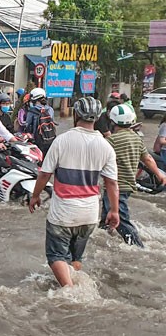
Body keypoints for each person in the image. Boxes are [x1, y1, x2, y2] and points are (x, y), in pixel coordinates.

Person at [29, 96, 119, 287]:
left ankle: (70, 292)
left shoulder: (61, 141)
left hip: (64, 212)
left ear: (76, 114)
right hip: (89, 214)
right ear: (97, 117)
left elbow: (44, 174)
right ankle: (74, 281)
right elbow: (111, 183)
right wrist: (114, 210)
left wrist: (35, 196)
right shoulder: (106, 146)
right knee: (76, 256)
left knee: (55, 255)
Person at [102, 104, 166, 247]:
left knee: (121, 220)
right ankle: (102, 239)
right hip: (128, 185)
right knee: (106, 218)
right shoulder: (137, 139)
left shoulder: (110, 141)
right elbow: (148, 159)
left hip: (115, 187)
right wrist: (159, 175)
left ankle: (138, 246)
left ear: (112, 122)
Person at [25, 87, 56, 154]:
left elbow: (27, 125)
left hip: (37, 140)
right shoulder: (50, 109)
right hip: (50, 139)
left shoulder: (32, 111)